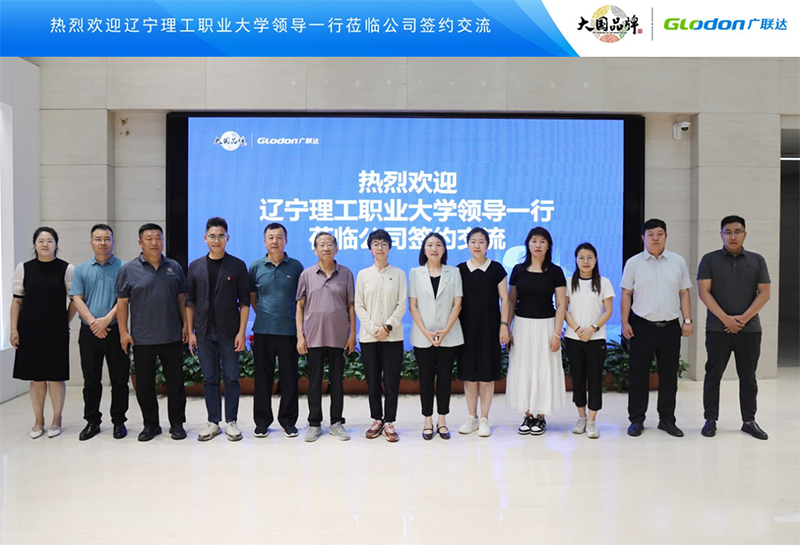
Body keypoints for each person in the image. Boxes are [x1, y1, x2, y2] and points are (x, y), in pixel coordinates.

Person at [697, 215, 771, 440]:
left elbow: (764, 294)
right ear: (721, 235)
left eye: (737, 232)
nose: (733, 236)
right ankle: (710, 419)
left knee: (748, 377)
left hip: (749, 330)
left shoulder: (757, 260)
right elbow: (704, 292)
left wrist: (742, 320)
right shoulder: (709, 260)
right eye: (727, 232)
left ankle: (749, 421)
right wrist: (726, 319)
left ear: (745, 234)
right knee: (713, 375)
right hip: (717, 329)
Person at [621, 218, 693, 438]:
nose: (655, 238)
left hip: (670, 328)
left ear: (666, 236)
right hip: (642, 326)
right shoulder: (633, 263)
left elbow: (684, 292)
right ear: (643, 238)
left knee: (669, 376)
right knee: (638, 376)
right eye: (650, 234)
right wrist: (624, 322)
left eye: (659, 234)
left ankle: (667, 419)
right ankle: (636, 420)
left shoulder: (678, 261)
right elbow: (626, 293)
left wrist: (687, 320)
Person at [117, 223, 189, 442]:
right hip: (142, 338)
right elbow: (122, 303)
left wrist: (186, 326)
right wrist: (123, 332)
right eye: (149, 239)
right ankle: (151, 424)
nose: (155, 242)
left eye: (158, 238)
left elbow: (182, 298)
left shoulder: (174, 267)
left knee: (175, 384)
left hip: (172, 335)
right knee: (145, 386)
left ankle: (177, 424)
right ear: (140, 243)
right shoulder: (129, 269)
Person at [186, 217, 250, 442]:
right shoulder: (195, 266)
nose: (216, 240)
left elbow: (245, 302)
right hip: (204, 333)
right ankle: (213, 421)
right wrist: (191, 332)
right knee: (210, 379)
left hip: (229, 333)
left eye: (221, 236)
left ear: (227, 238)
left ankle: (231, 421)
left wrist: (241, 332)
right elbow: (190, 301)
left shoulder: (237, 265)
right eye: (212, 236)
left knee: (231, 378)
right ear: (205, 238)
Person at [10, 227, 76, 439]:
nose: (45, 244)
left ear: (56, 244)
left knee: (56, 377)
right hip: (29, 330)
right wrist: (14, 329)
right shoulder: (24, 268)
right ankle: (38, 421)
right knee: (36, 378)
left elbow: (75, 300)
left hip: (56, 331)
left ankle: (57, 419)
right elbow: (16, 301)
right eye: (41, 240)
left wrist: (64, 322)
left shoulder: (67, 269)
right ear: (34, 244)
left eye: (49, 240)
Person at [296, 232, 356, 442]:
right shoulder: (307, 275)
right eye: (321, 245)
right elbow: (300, 306)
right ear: (315, 250)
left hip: (338, 337)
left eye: (330, 244)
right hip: (314, 337)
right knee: (314, 382)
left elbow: (351, 306)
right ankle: (314, 423)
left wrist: (352, 334)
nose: (326, 248)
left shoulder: (346, 273)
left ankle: (336, 422)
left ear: (336, 249)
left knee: (337, 382)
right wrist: (300, 336)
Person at [71, 224, 129, 440]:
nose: (102, 243)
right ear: (91, 242)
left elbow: (125, 299)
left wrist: (106, 320)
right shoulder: (81, 270)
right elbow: (77, 298)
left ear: (113, 241)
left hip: (116, 331)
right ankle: (92, 421)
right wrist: (94, 323)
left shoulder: (124, 267)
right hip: (89, 332)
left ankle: (119, 421)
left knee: (119, 379)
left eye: (107, 239)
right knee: (91, 380)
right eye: (98, 239)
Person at [506, 227, 567, 436]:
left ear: (548, 245)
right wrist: (506, 327)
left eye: (542, 241)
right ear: (528, 244)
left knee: (543, 368)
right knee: (524, 368)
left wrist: (557, 334)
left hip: (546, 325)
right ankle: (528, 414)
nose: (538, 245)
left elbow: (561, 304)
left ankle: (540, 416)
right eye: (534, 240)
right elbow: (511, 300)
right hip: (522, 326)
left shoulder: (555, 272)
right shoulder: (518, 270)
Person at [249, 222, 303, 438]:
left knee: (289, 378)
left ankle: (288, 422)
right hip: (263, 330)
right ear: (265, 241)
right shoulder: (256, 267)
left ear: (286, 241)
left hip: (289, 331)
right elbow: (253, 298)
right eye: (271, 237)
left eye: (279, 237)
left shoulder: (296, 267)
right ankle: (262, 422)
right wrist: (266, 314)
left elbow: (301, 300)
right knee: (262, 379)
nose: (275, 241)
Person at [408, 232, 464, 440]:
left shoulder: (454, 272)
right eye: (430, 245)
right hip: (423, 336)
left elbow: (457, 304)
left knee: (444, 380)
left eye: (438, 245)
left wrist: (445, 330)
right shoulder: (415, 273)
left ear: (444, 250)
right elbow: (413, 306)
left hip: (449, 336)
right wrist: (426, 332)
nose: (434, 249)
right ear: (424, 250)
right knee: (425, 379)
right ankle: (427, 421)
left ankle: (442, 420)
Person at [457, 227, 510, 437]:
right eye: (473, 241)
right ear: (468, 245)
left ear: (488, 245)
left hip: (490, 328)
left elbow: (505, 299)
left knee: (487, 377)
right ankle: (472, 417)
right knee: (470, 377)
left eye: (481, 241)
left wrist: (504, 325)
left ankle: (485, 418)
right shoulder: (460, 270)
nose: (477, 245)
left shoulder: (496, 269)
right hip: (466, 330)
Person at [355, 229, 407, 442]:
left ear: (390, 248)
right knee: (373, 380)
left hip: (392, 337)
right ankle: (377, 419)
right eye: (376, 244)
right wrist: (373, 328)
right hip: (369, 338)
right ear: (370, 249)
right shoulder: (363, 275)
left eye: (384, 244)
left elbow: (402, 305)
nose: (380, 248)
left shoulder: (399, 274)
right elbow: (359, 305)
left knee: (392, 381)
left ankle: (390, 422)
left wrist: (387, 327)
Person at [563, 243, 614, 439]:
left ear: (596, 259)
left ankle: (592, 422)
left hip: (596, 338)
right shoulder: (569, 282)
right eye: (581, 257)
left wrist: (592, 329)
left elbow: (608, 311)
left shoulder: (604, 282)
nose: (585, 261)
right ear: (576, 260)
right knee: (577, 379)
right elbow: (563, 309)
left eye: (589, 257)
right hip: (573, 338)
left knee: (595, 379)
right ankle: (581, 418)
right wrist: (577, 329)